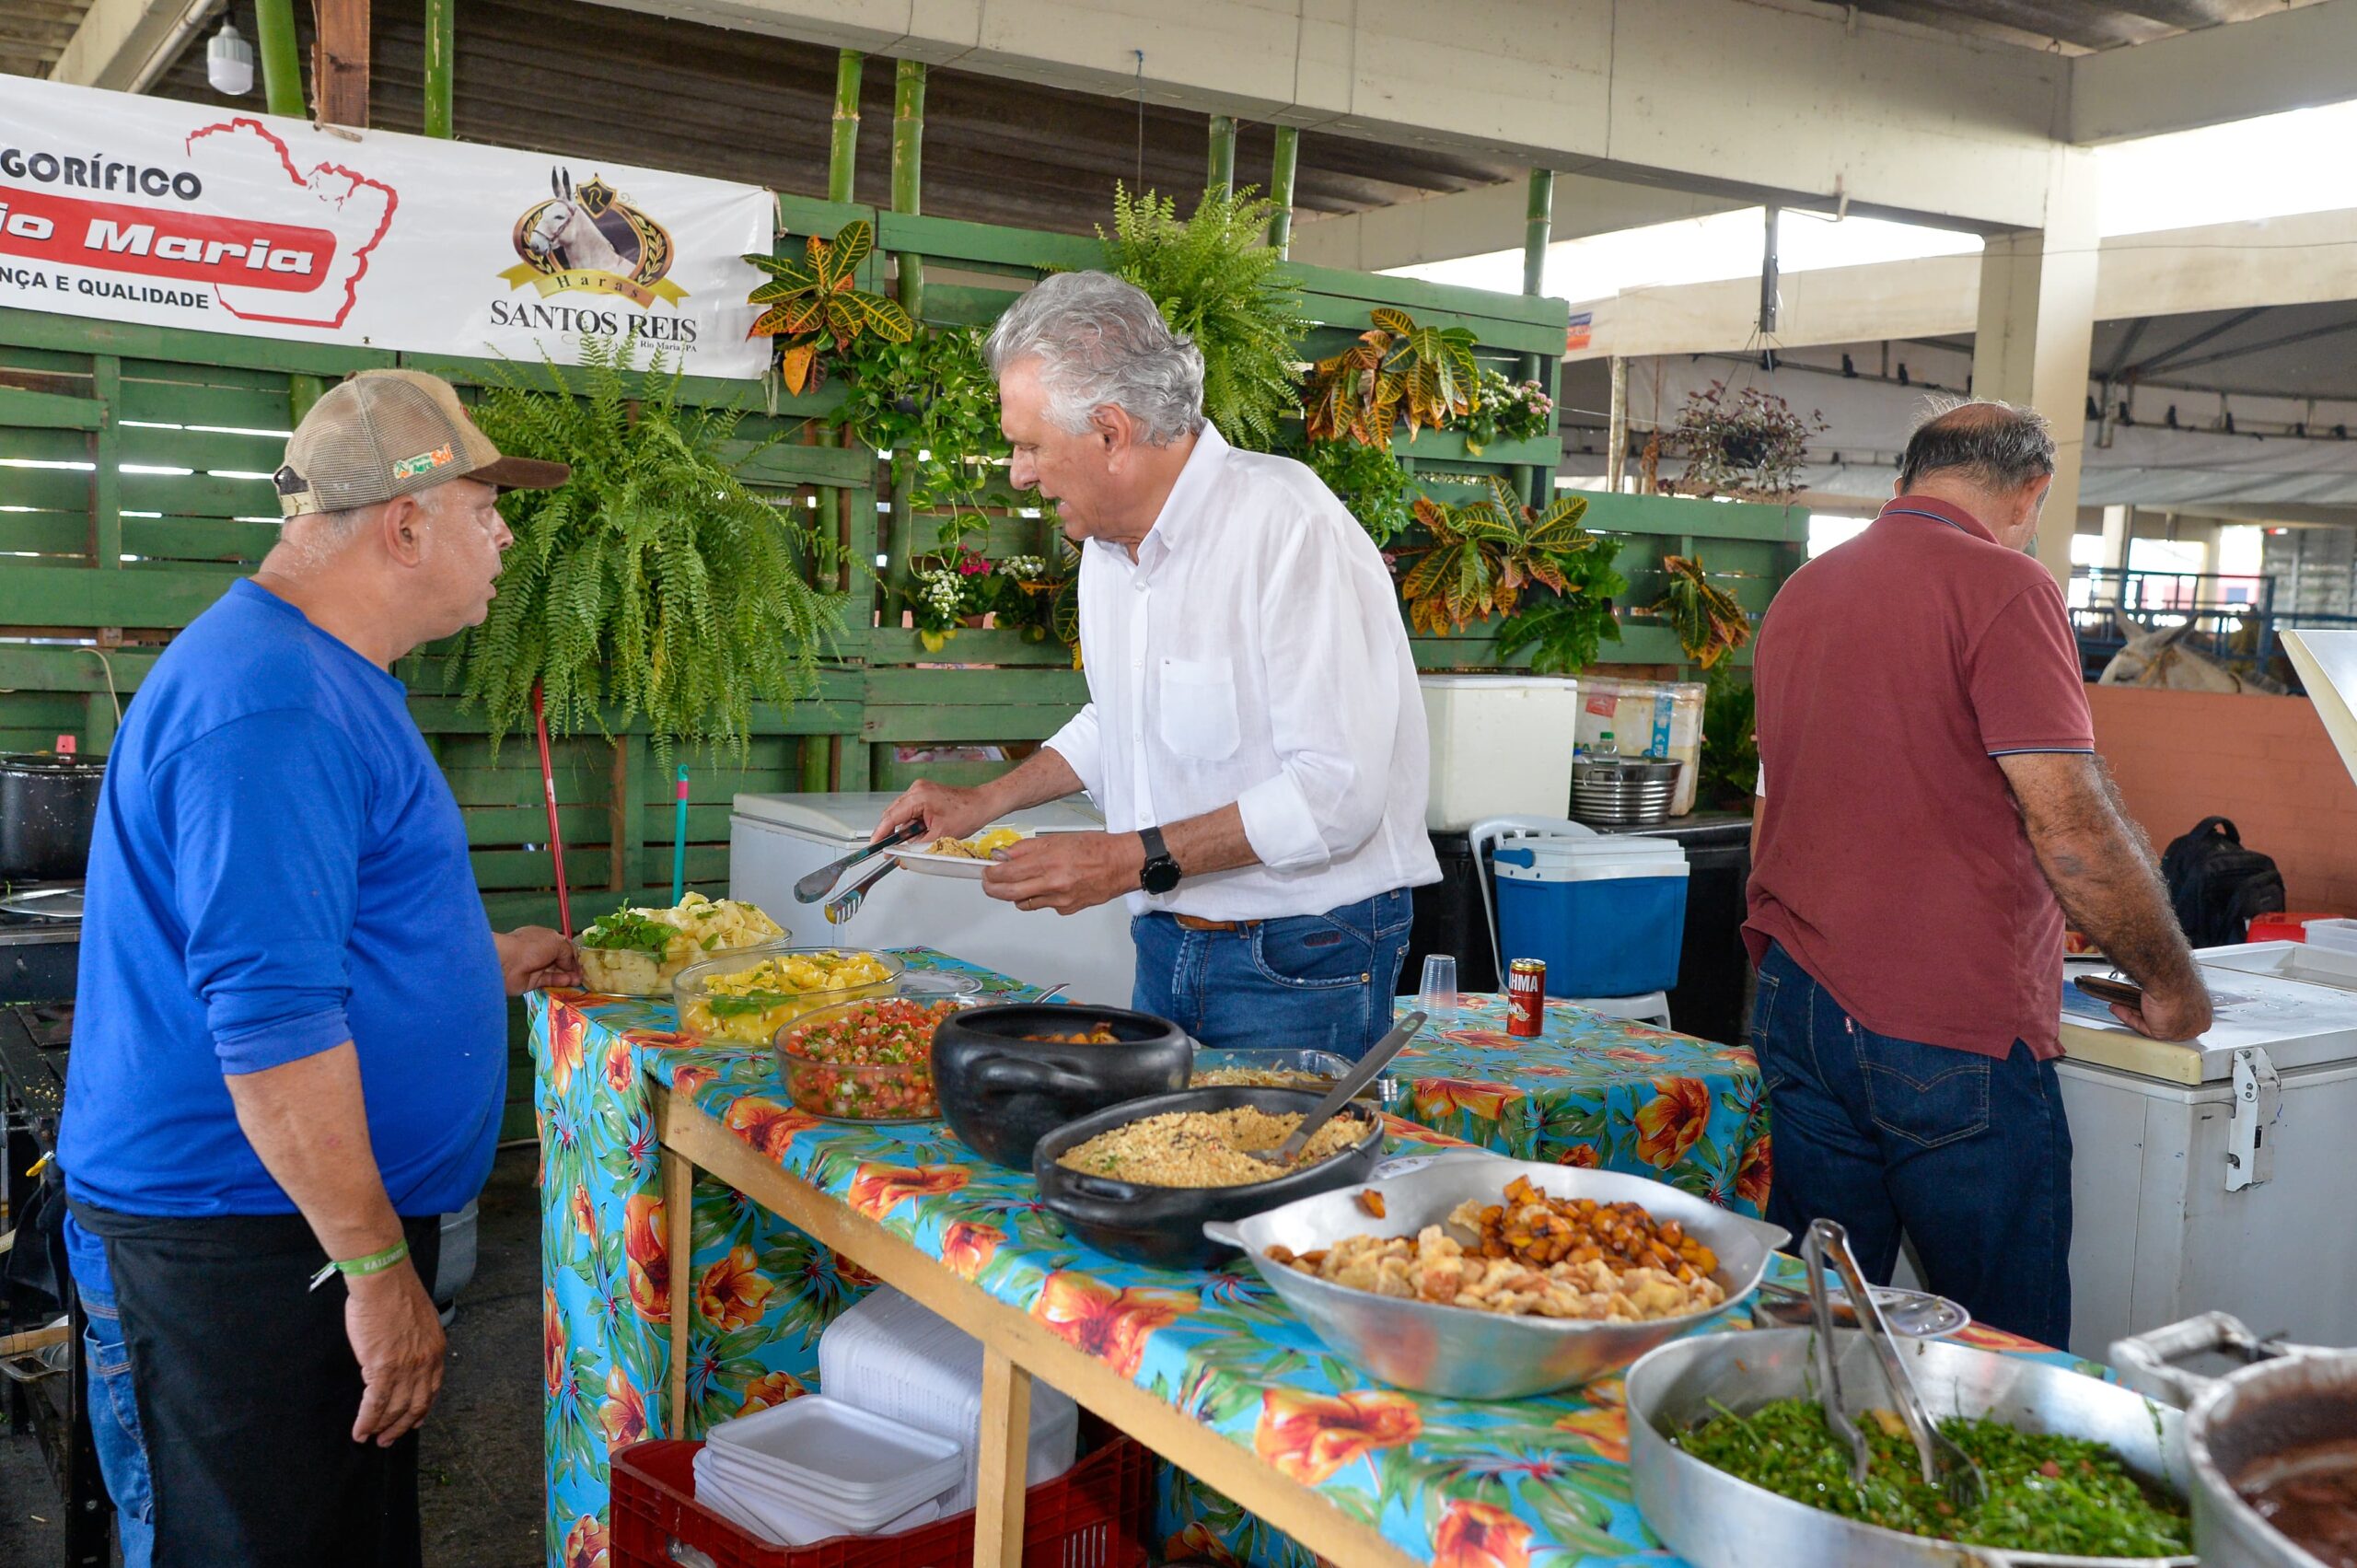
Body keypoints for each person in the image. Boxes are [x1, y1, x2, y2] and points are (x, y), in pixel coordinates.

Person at [55, 369, 581, 1566]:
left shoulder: (318, 671)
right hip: (236, 1246)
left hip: (287, 1230)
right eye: (486, 509)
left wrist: (473, 965)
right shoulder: (275, 703)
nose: (505, 536)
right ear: (406, 524)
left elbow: (314, 928)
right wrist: (378, 1269)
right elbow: (274, 1024)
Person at [1745, 400, 2212, 1348]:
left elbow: (1781, 801)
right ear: (2031, 491)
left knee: (1819, 1326)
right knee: (2003, 1348)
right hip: (1945, 1025)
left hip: (1798, 1001)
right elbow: (2069, 823)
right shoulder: (2007, 584)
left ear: (1909, 477)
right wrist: (2171, 982)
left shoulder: (1806, 589)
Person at [877, 271, 1439, 1055]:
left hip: (1301, 956)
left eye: (1029, 445)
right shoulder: (1107, 548)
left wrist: (1124, 860)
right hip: (1166, 941)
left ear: (1111, 433)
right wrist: (986, 800)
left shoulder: (1289, 524)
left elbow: (1337, 795)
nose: (1019, 473)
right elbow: (1126, 717)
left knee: (1281, 1146)